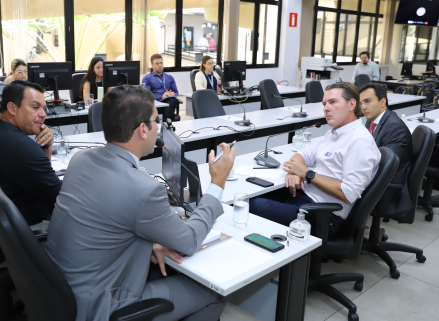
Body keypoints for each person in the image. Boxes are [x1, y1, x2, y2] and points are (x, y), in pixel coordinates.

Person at [45, 85, 235, 321]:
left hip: (60, 293)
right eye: (156, 121)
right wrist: (217, 182)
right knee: (214, 291)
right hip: (101, 307)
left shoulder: (80, 160)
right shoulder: (144, 189)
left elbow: (105, 218)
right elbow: (190, 241)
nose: (158, 128)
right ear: (143, 129)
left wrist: (150, 240)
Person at [249, 82, 380, 237]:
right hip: (305, 198)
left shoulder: (359, 142)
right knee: (248, 195)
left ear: (351, 104)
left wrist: (307, 174)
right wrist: (293, 171)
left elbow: (349, 194)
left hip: (324, 215)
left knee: (253, 205)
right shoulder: (334, 133)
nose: (326, 108)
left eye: (333, 102)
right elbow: (304, 154)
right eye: (324, 103)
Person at [0, 80, 61, 268]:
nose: (43, 115)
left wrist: (46, 145)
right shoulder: (20, 147)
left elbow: (40, 178)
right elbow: (60, 198)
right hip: (5, 244)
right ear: (12, 108)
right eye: (35, 107)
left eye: (44, 108)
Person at [360, 83, 413, 215]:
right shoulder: (373, 119)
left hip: (389, 185)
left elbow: (385, 167)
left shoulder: (394, 127)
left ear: (382, 102)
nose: (363, 107)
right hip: (375, 174)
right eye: (361, 103)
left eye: (367, 101)